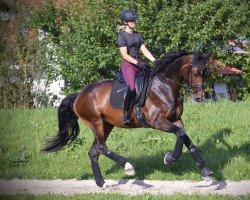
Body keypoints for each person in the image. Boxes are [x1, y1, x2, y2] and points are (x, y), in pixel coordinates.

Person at [117, 9, 156, 126]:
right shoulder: (122, 36)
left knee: (151, 81)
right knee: (132, 87)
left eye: (134, 20)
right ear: (125, 22)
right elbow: (124, 55)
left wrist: (155, 60)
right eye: (131, 20)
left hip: (139, 62)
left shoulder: (138, 35)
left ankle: (144, 108)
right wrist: (137, 63)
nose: (134, 22)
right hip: (129, 65)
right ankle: (126, 114)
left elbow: (144, 50)